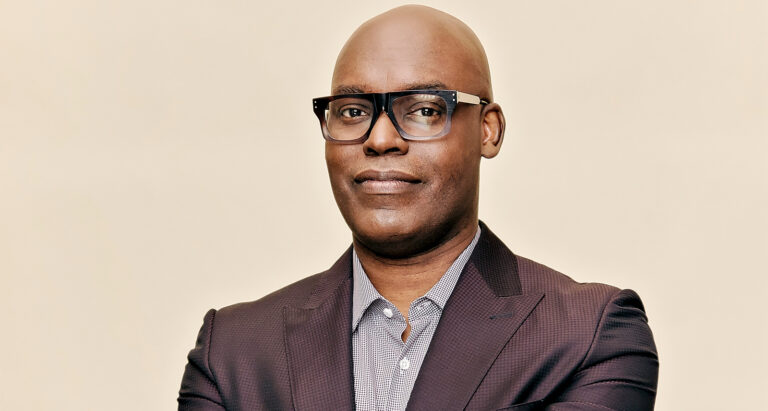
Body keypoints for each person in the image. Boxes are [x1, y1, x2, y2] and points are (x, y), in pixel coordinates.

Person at [178, 5, 658, 410]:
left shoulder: (589, 336)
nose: (380, 138)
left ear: (488, 130)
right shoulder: (233, 353)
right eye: (353, 112)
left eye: (424, 110)